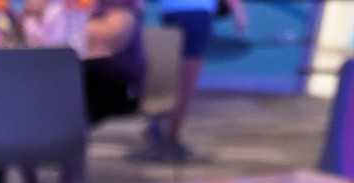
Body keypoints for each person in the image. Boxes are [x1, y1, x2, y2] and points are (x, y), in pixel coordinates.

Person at [148, 0, 248, 158]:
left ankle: (158, 123)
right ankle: (172, 137)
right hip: (197, 13)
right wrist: (240, 15)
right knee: (186, 80)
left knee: (171, 74)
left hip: (169, 11)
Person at [23, 0, 146, 125]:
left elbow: (109, 39)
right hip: (60, 75)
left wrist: (53, 17)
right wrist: (34, 15)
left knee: (40, 104)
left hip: (110, 80)